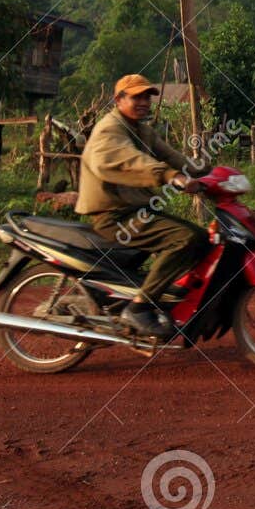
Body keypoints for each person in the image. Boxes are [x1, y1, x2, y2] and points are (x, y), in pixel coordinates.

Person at [76, 74, 207, 337]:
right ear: (118, 100)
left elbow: (173, 157)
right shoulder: (110, 130)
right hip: (114, 216)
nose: (144, 102)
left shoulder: (140, 129)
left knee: (202, 238)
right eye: (137, 96)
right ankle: (139, 308)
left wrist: (208, 173)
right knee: (184, 239)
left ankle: (159, 299)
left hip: (135, 212)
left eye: (147, 96)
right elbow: (131, 161)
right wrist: (171, 176)